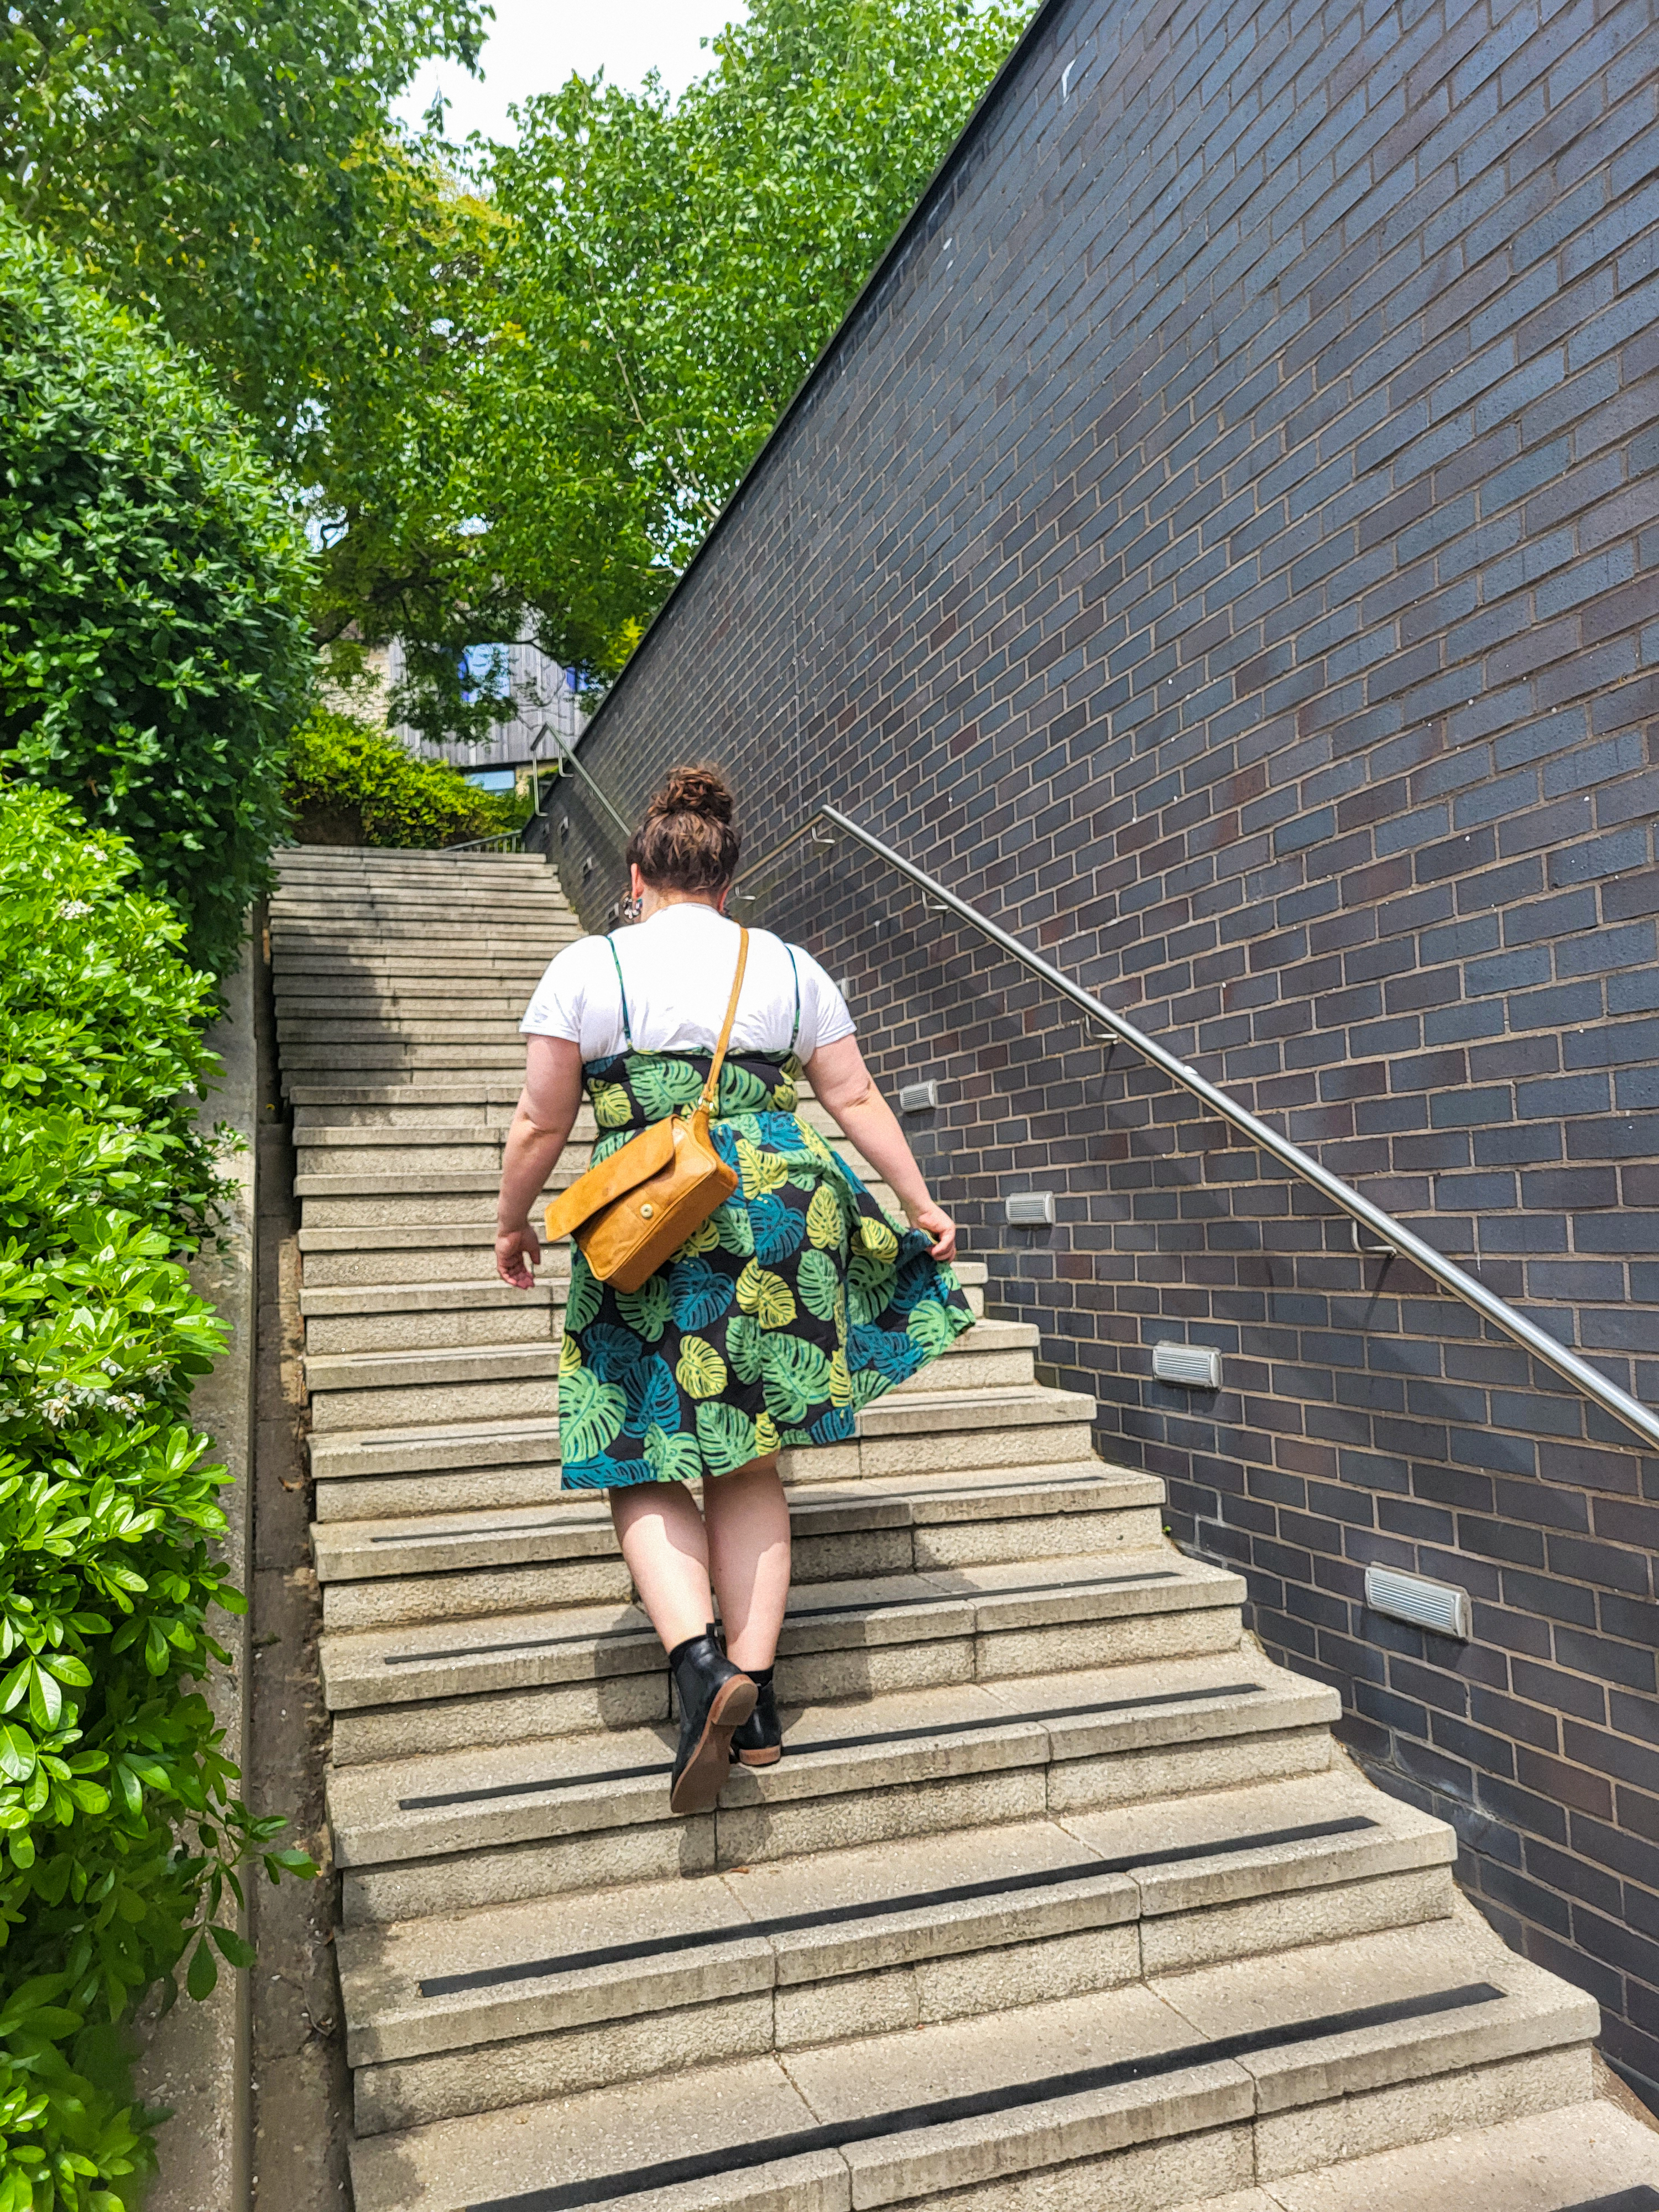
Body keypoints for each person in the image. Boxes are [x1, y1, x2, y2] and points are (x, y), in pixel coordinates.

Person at [494, 763, 974, 1816]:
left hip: (652, 1216)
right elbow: (850, 1093)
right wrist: (921, 1203)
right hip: (780, 1208)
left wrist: (512, 1220)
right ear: (729, 876)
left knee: (642, 1441)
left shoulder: (589, 966)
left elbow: (539, 1121)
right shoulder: (790, 967)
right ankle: (754, 1705)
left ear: (635, 873)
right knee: (751, 1454)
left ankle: (698, 1666)